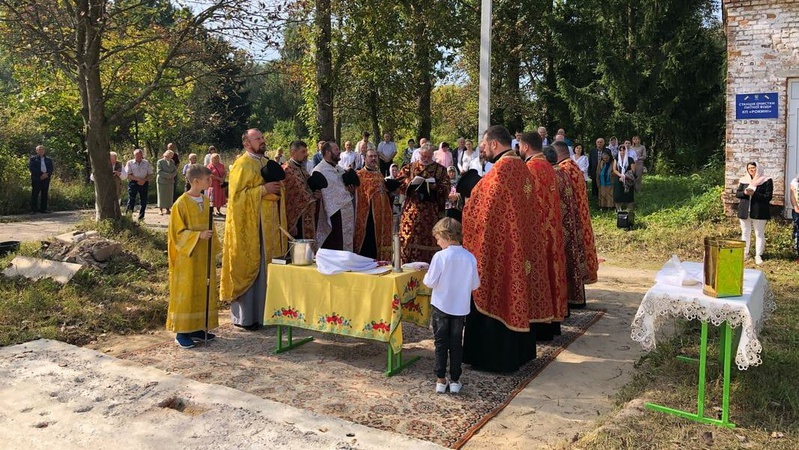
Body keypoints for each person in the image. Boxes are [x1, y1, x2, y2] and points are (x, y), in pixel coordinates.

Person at [461, 125, 546, 372]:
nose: (482, 150)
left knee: (497, 293)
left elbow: (481, 212)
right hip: (519, 247)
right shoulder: (521, 167)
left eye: (484, 146)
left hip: (500, 252)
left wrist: (469, 197)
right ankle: (520, 354)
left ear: (494, 144)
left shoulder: (501, 171)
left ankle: (492, 359)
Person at [220, 128, 288, 331]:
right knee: (252, 267)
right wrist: (263, 190)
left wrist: (277, 190)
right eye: (257, 138)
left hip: (269, 227)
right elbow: (236, 199)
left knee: (268, 268)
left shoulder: (267, 162)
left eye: (262, 136)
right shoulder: (242, 165)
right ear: (246, 144)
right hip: (251, 227)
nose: (262, 140)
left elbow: (279, 187)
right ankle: (247, 317)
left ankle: (267, 314)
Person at [520, 133, 569, 341]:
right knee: (552, 272)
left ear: (524, 146)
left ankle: (539, 324)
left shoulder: (530, 169)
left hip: (537, 233)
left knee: (538, 275)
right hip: (552, 231)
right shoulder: (550, 167)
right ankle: (552, 323)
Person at [166, 165, 221, 349]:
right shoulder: (180, 204)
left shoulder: (205, 200)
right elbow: (176, 233)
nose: (210, 182)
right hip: (187, 256)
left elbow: (210, 224)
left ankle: (197, 327)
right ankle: (182, 332)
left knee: (202, 289)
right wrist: (197, 235)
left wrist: (213, 243)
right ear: (196, 181)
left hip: (203, 254)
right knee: (187, 291)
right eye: (207, 179)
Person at [423, 217, 480, 394]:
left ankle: (440, 380)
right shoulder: (470, 257)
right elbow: (475, 285)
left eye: (438, 239)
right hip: (460, 307)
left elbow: (430, 282)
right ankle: (455, 380)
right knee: (456, 343)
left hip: (440, 305)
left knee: (440, 343)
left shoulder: (440, 257)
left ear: (446, 236)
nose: (437, 242)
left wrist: (425, 277)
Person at [552, 141, 599, 308]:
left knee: (570, 258)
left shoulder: (564, 170)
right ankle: (578, 296)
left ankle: (572, 299)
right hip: (579, 217)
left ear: (557, 154)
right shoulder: (574, 167)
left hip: (570, 218)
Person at [396, 143, 450, 263]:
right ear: (419, 154)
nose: (425, 159)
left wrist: (436, 187)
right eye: (423, 156)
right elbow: (398, 182)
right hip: (411, 211)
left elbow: (446, 187)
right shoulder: (410, 167)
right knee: (408, 239)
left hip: (430, 211)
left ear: (432, 155)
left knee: (430, 238)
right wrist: (409, 183)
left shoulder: (440, 169)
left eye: (428, 156)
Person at [313, 141, 356, 251]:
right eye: (336, 150)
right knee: (335, 245)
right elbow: (333, 192)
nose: (339, 152)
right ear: (328, 153)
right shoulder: (320, 170)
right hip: (333, 215)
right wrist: (347, 192)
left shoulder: (338, 168)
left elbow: (345, 187)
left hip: (344, 211)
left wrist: (351, 189)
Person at [354, 149, 395, 260]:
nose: (373, 158)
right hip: (367, 216)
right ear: (365, 158)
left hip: (382, 215)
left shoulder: (380, 174)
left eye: (375, 156)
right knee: (368, 243)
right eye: (370, 156)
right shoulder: (359, 175)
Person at [736, 161, 773, 265]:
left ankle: (758, 255)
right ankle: (745, 253)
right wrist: (744, 193)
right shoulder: (744, 180)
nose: (751, 170)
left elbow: (768, 197)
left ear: (758, 168)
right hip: (745, 210)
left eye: (753, 168)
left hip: (759, 211)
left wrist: (754, 193)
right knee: (745, 232)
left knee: (759, 233)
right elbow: (738, 194)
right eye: (749, 168)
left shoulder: (766, 180)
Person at [283, 140, 319, 240]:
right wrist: (291, 224)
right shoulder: (286, 170)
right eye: (303, 152)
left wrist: (316, 194)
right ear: (293, 152)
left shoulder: (302, 168)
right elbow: (287, 199)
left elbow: (307, 190)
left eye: (306, 151)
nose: (306, 154)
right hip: (296, 220)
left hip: (308, 216)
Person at [124, 149, 154, 222]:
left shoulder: (146, 163)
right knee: (131, 199)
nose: (138, 157)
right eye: (137, 156)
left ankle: (141, 218)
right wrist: (138, 179)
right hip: (134, 182)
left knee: (143, 201)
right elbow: (128, 174)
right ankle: (128, 218)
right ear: (134, 156)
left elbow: (150, 174)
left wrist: (144, 180)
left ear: (142, 155)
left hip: (144, 182)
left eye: (140, 156)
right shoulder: (130, 163)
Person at [612, 144, 636, 228]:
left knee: (628, 197)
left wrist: (625, 176)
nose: (622, 152)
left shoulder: (630, 159)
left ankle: (630, 214)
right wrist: (620, 175)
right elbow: (614, 169)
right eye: (620, 150)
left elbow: (633, 170)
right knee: (618, 196)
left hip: (628, 180)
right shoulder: (616, 158)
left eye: (624, 150)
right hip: (618, 180)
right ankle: (619, 212)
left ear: (626, 151)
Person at [29, 145, 54, 214]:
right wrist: (40, 175)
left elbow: (51, 169)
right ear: (36, 151)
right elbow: (32, 168)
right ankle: (33, 209)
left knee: (44, 193)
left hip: (46, 178)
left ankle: (43, 209)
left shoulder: (48, 159)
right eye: (39, 149)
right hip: (37, 178)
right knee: (35, 193)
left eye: (42, 149)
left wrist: (47, 174)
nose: (41, 150)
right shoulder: (33, 159)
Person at [157, 150, 177, 215]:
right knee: (161, 195)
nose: (170, 156)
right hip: (162, 181)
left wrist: (172, 175)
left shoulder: (172, 162)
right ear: (165, 154)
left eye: (171, 155)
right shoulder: (160, 161)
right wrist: (168, 176)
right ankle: (160, 209)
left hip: (170, 181)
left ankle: (168, 209)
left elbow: (175, 170)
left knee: (169, 195)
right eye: (169, 155)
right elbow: (159, 171)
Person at [790, 173, 799, 261]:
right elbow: (792, 196)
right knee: (798, 232)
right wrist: (796, 207)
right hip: (797, 211)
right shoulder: (795, 181)